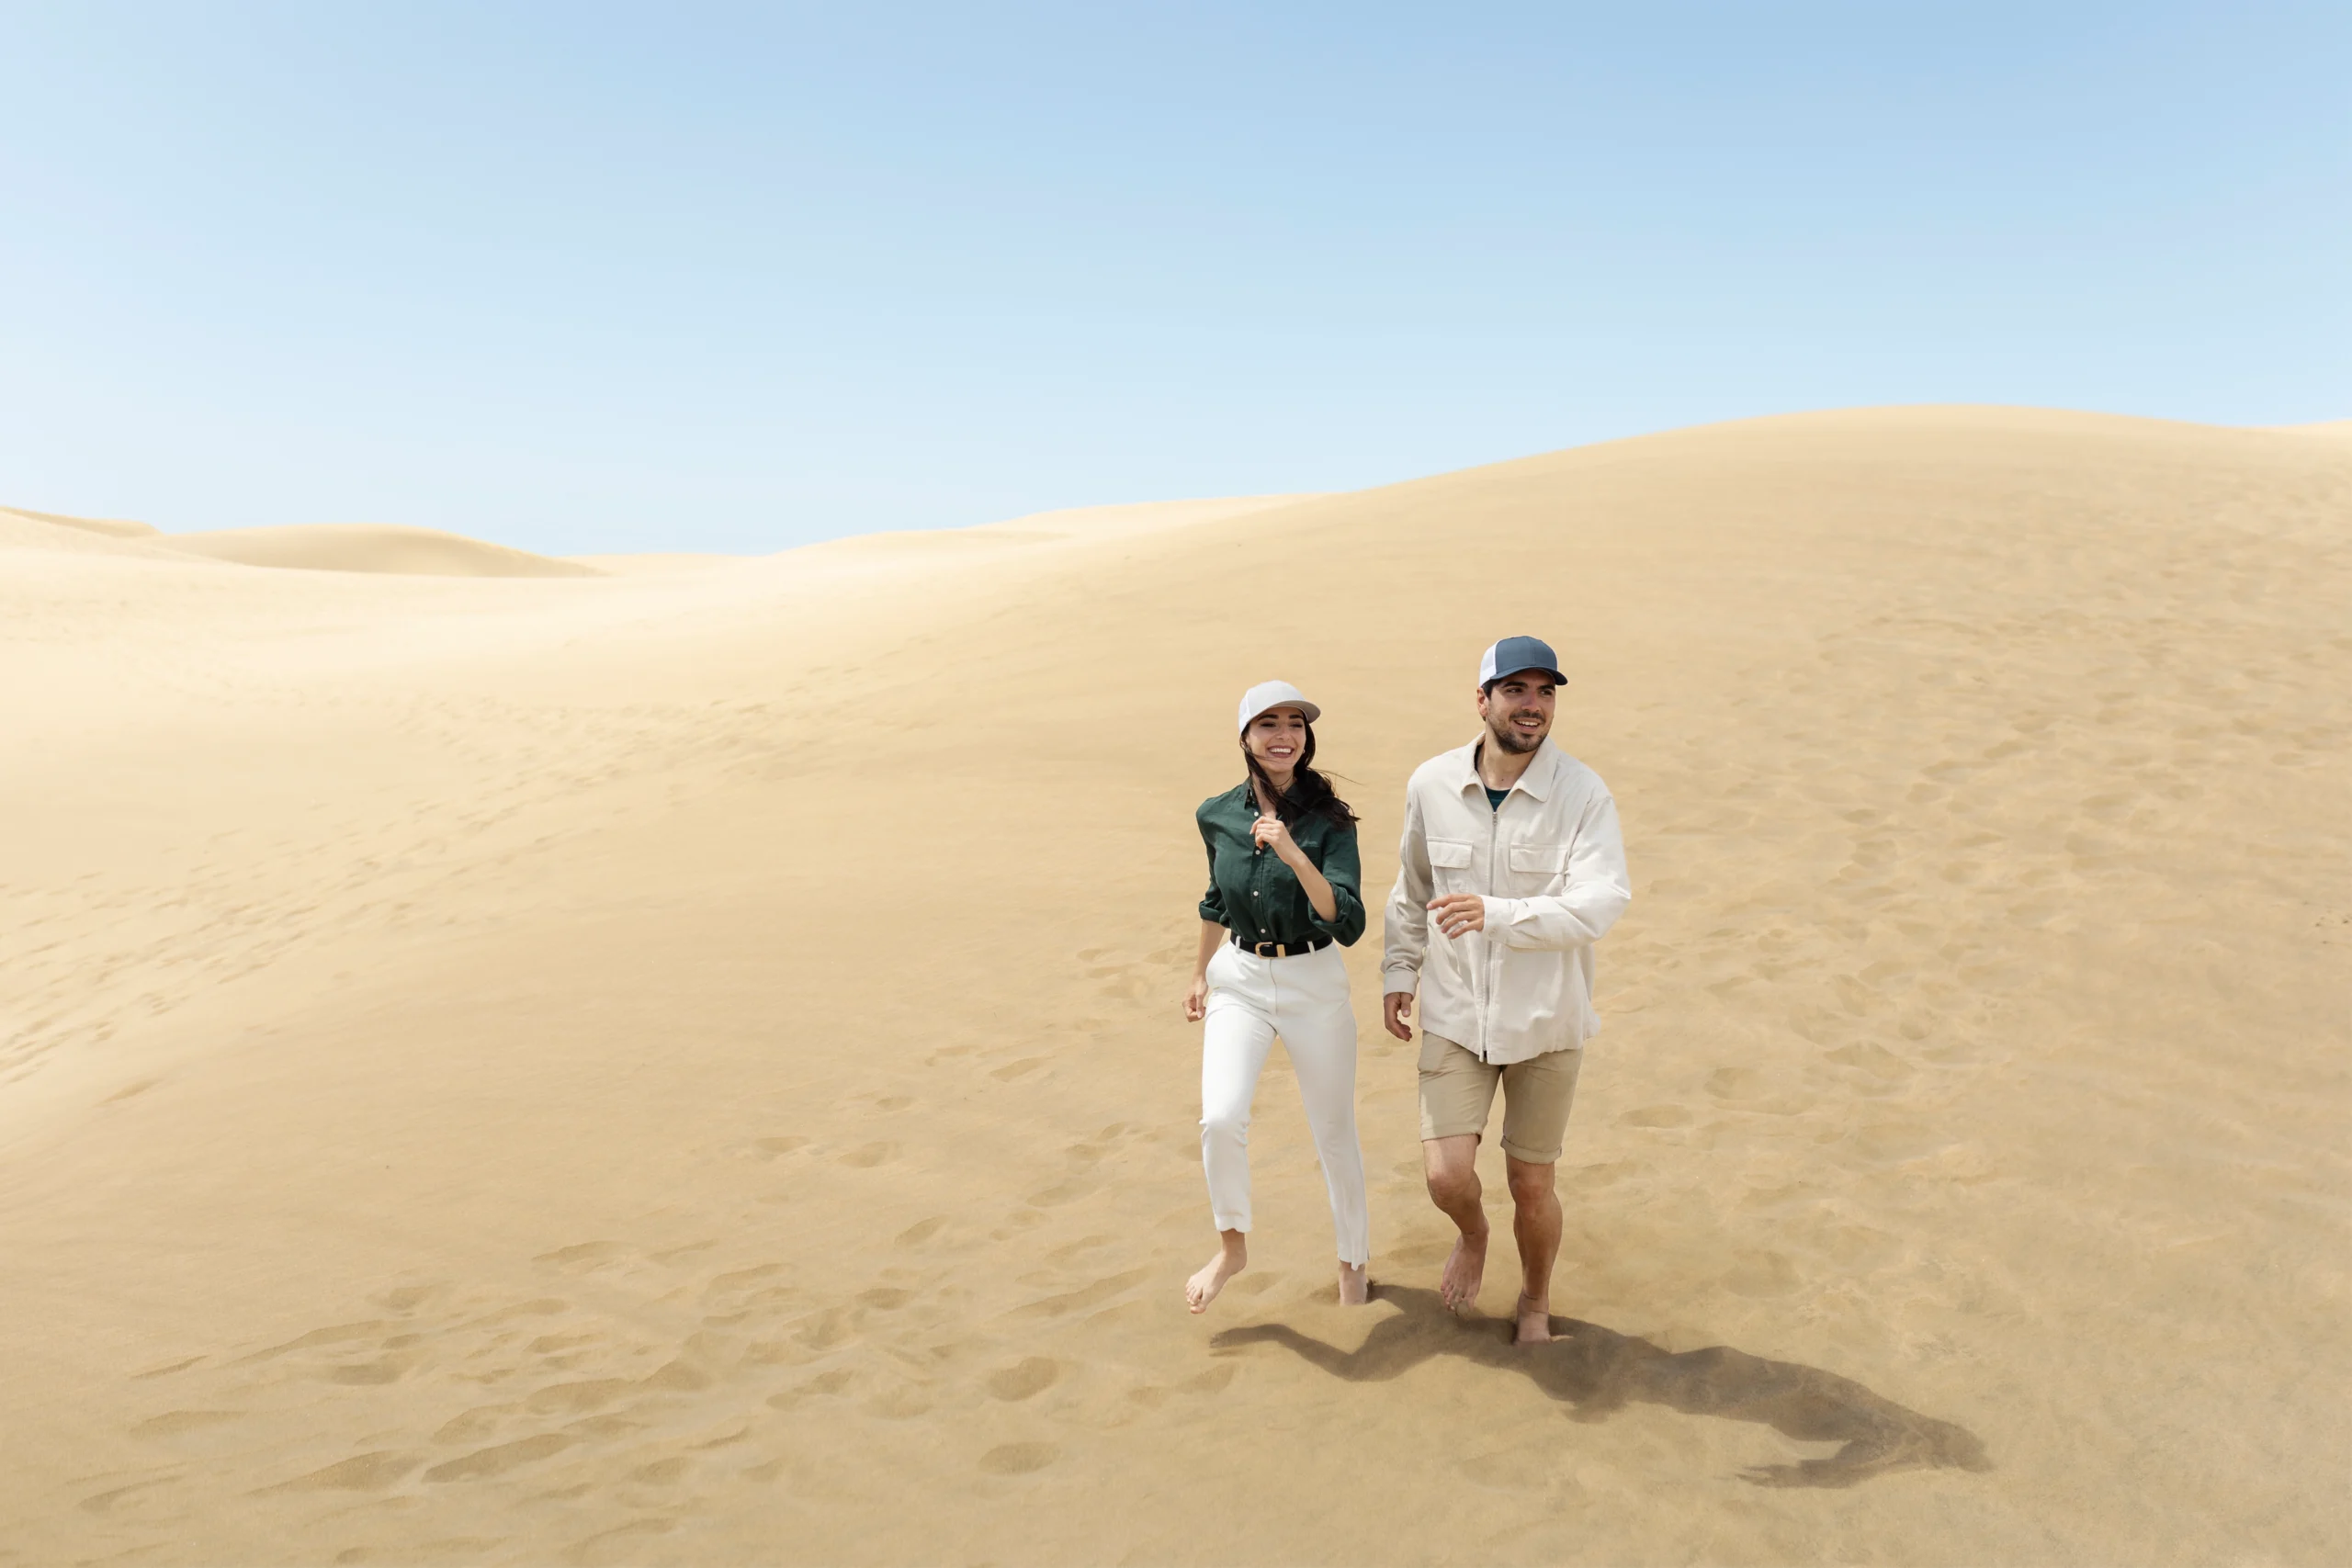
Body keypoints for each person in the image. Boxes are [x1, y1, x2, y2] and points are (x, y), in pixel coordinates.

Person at [1382, 637, 1632, 1344]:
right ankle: (1473, 1233)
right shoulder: (1431, 783)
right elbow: (1412, 889)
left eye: (1545, 692)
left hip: (1547, 1023)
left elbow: (1601, 903)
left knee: (1531, 1182)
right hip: (1455, 1014)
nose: (1533, 705)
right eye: (1516, 689)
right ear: (1483, 699)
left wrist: (1498, 914)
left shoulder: (1582, 793)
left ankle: (1535, 1299)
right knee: (1446, 1175)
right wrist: (1399, 970)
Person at [1181, 680, 1373, 1314]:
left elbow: (1346, 921)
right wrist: (1200, 974)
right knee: (1220, 1118)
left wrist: (1293, 853)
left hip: (1313, 981)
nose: (1283, 735)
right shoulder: (1216, 814)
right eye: (1268, 724)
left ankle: (1352, 1264)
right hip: (1239, 978)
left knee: (1334, 1131)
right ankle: (1231, 1247)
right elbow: (1216, 898)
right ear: (1245, 736)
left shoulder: (1330, 821)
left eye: (1295, 723)